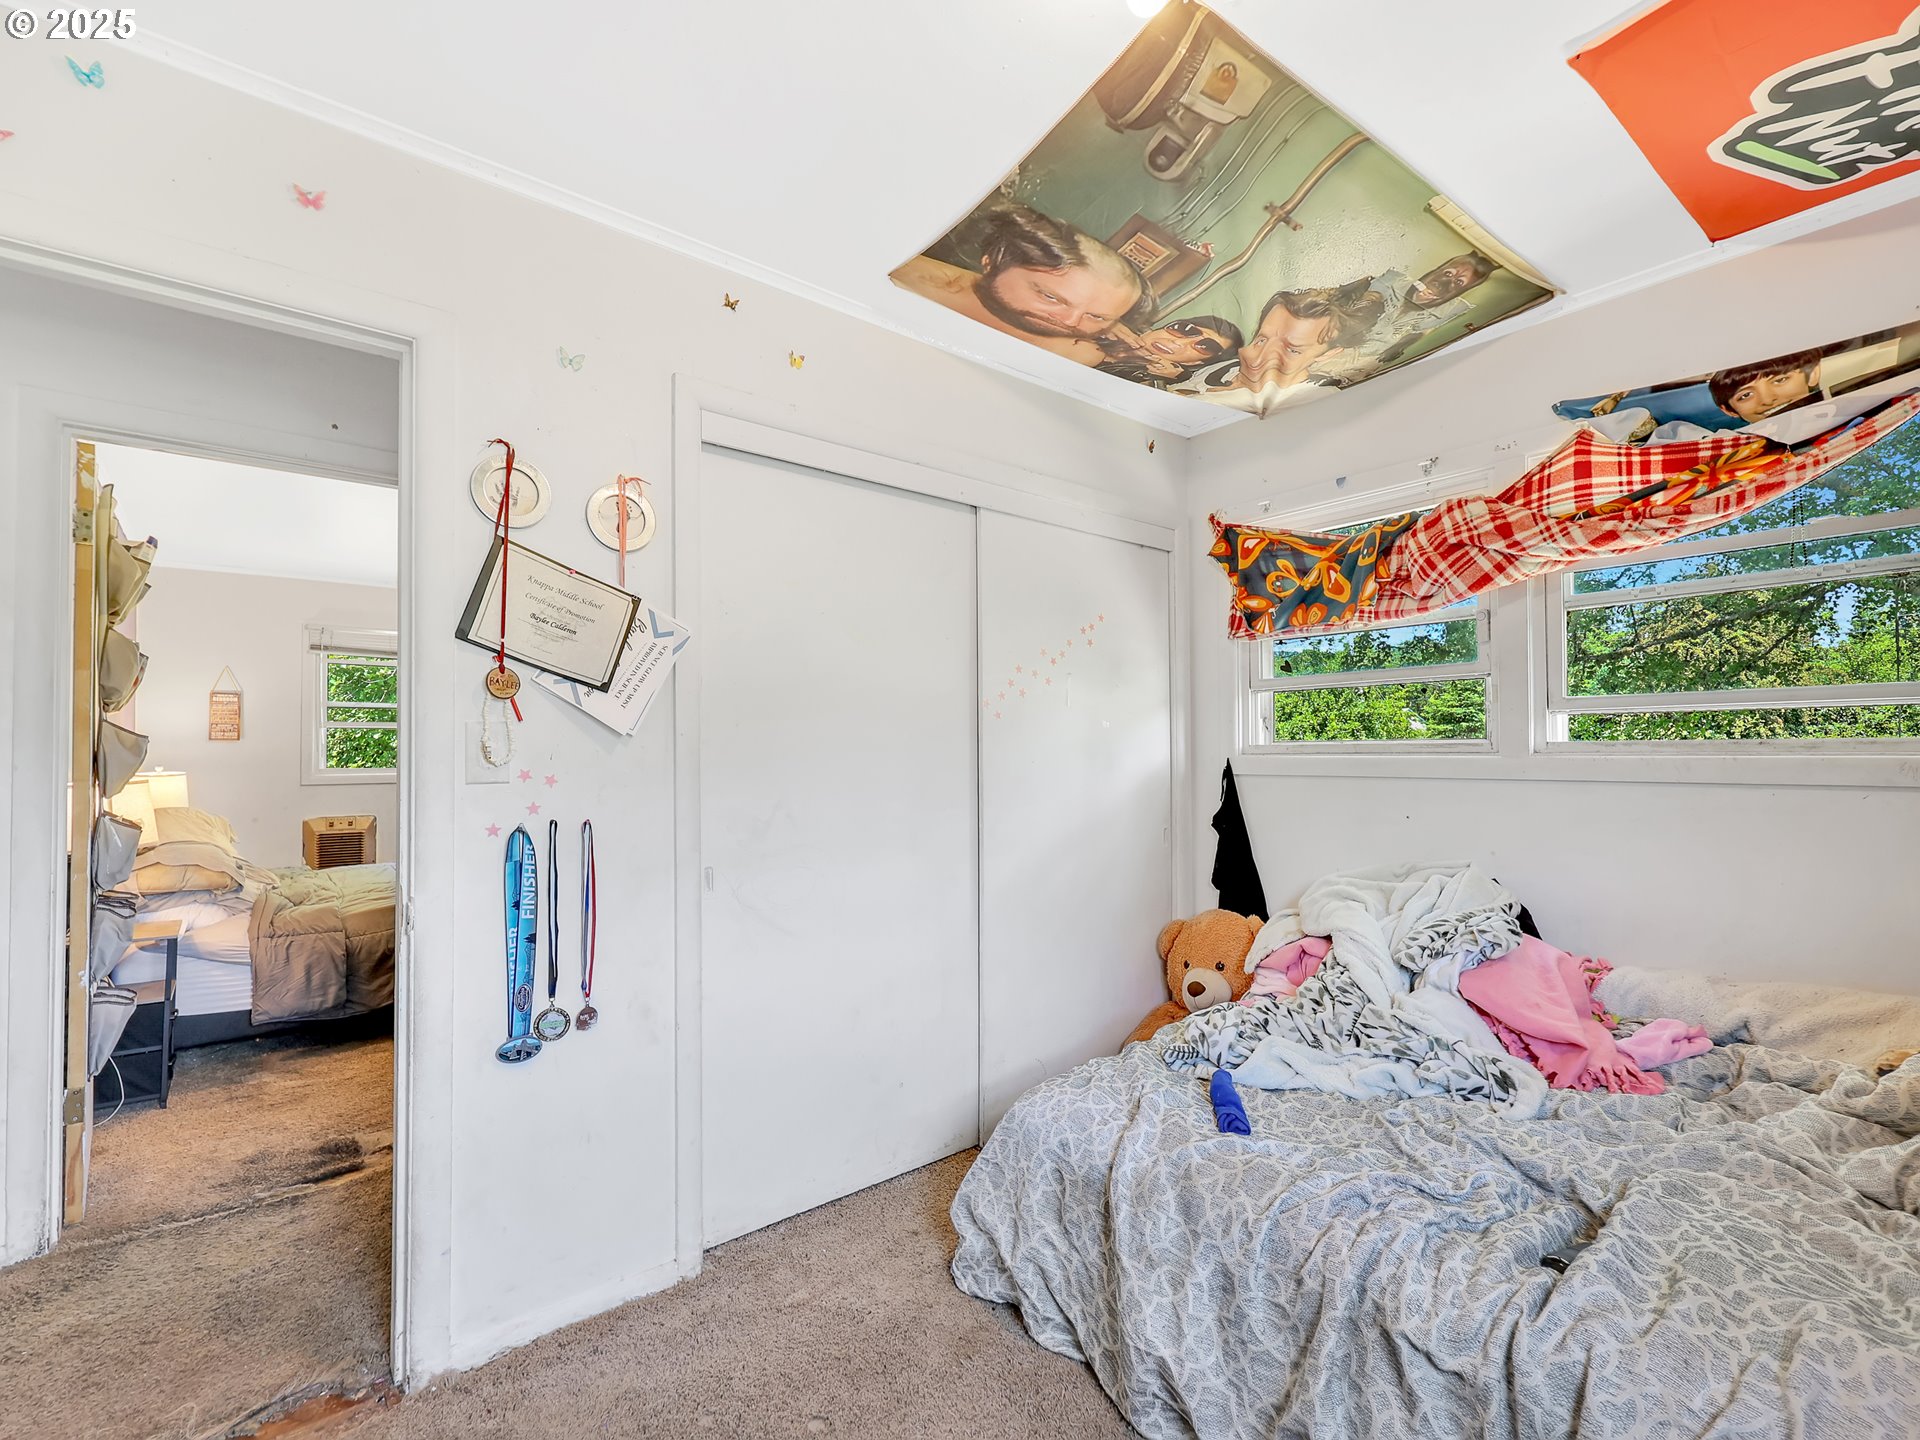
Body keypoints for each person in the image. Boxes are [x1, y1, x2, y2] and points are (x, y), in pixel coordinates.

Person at [890, 204, 1153, 366]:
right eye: (1051, 297)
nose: (1071, 322)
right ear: (992, 262)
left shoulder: (1084, 350)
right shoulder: (905, 282)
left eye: (1097, 315)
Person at [1175, 282, 1384, 415]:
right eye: (1262, 340)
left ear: (1329, 354)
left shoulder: (1314, 401)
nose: (1257, 358)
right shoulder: (1228, 367)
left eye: (1292, 350)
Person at [1316, 253, 1498, 382]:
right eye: (1448, 273)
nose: (1442, 284)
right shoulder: (1391, 281)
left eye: (1459, 282)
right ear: (1435, 270)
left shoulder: (1448, 313)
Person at [1096, 315, 1244, 387]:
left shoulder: (1152, 381)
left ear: (1196, 362)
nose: (1177, 342)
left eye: (1205, 347)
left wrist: (1180, 378)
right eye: (1183, 329)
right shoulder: (1104, 325)